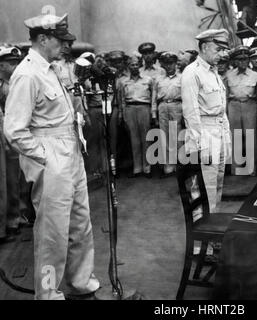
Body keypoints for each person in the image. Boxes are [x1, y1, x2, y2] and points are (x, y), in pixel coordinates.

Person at [4, 13, 100, 300]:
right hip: (52, 155)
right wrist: (45, 157)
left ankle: (82, 282)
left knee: (80, 224)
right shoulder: (27, 73)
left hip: (70, 150)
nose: (64, 45)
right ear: (43, 38)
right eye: (59, 39)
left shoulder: (51, 68)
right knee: (53, 232)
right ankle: (48, 293)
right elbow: (14, 130)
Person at [181, 28, 231, 214]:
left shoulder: (213, 72)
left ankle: (213, 232)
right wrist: (199, 146)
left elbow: (221, 111)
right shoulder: (192, 72)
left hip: (218, 134)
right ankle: (200, 240)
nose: (222, 54)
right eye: (218, 49)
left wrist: (226, 139)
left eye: (223, 50)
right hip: (204, 135)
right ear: (203, 47)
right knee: (202, 189)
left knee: (217, 186)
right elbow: (191, 113)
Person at [0, 45, 24, 240]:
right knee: (7, 179)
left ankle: (17, 215)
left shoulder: (18, 82)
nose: (15, 66)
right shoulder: (2, 86)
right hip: (6, 136)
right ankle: (10, 220)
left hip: (19, 134)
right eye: (11, 63)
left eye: (17, 63)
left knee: (17, 179)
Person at [119, 54, 155, 178]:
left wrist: (152, 112)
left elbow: (153, 97)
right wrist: (122, 114)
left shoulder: (148, 80)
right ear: (128, 67)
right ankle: (137, 168)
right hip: (130, 108)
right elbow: (122, 100)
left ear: (139, 65)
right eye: (131, 65)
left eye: (136, 64)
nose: (134, 67)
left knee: (146, 138)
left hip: (144, 107)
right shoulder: (123, 81)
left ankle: (147, 168)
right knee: (134, 139)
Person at [226, 45, 257, 175]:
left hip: (249, 105)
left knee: (250, 136)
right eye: (240, 60)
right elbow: (225, 94)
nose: (243, 62)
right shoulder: (229, 75)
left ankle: (251, 169)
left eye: (245, 59)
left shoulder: (255, 75)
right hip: (233, 105)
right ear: (235, 61)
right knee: (235, 136)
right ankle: (236, 168)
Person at [153, 52, 182, 176]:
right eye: (166, 63)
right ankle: (168, 165)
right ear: (163, 65)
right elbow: (154, 98)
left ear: (176, 64)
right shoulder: (159, 79)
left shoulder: (182, 78)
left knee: (177, 134)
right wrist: (154, 113)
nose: (169, 66)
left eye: (171, 63)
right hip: (163, 106)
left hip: (177, 105)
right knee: (164, 135)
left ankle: (180, 165)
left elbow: (186, 96)